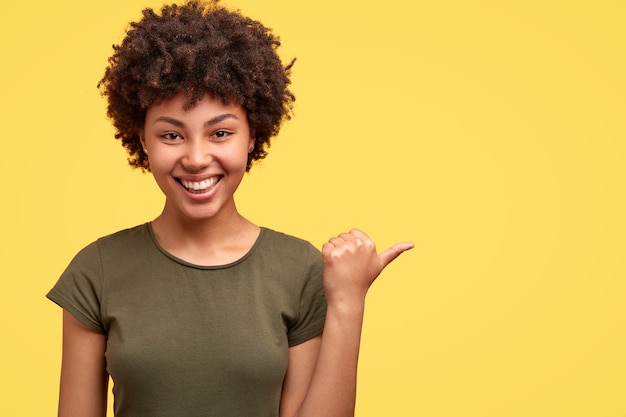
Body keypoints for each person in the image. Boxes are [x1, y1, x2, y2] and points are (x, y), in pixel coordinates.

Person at [47, 1, 413, 416]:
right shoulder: (96, 271)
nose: (197, 157)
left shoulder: (300, 270)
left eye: (220, 132)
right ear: (142, 140)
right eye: (171, 135)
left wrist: (348, 302)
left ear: (253, 135)